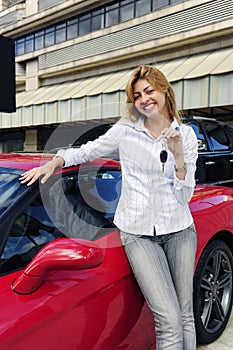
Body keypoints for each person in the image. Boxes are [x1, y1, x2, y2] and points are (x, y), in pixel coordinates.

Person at [20, 65, 198, 350]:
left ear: (164, 89)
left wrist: (178, 157)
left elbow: (185, 196)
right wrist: (56, 160)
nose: (144, 99)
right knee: (169, 321)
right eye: (137, 94)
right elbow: (87, 150)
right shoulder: (125, 131)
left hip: (180, 230)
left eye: (150, 91)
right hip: (138, 235)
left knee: (186, 314)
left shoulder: (186, 135)